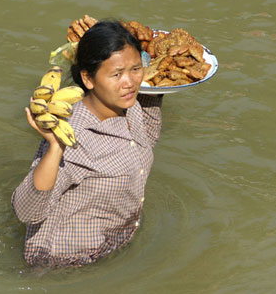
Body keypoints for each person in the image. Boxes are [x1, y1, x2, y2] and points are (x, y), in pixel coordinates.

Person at [11, 20, 163, 269]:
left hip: (113, 246)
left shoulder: (133, 106)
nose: (129, 82)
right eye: (116, 74)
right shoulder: (71, 134)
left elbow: (148, 139)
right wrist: (55, 148)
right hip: (63, 262)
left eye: (136, 69)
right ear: (87, 79)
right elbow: (27, 212)